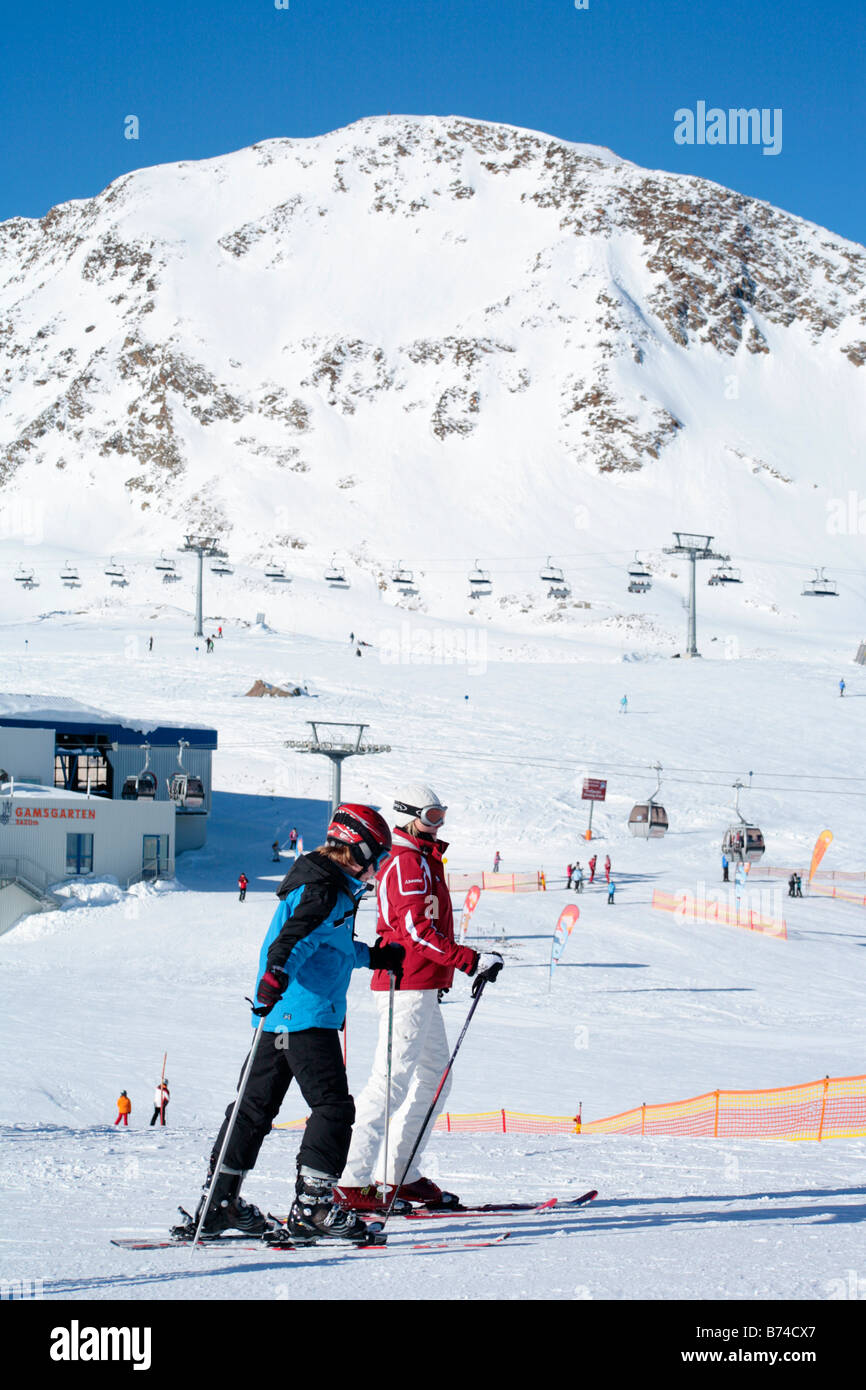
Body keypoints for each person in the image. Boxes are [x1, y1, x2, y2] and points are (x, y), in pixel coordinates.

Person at [186, 804, 403, 1242]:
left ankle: (219, 1203)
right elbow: (294, 941)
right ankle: (314, 1208)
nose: (379, 869)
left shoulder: (324, 886)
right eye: (378, 858)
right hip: (305, 1016)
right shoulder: (325, 891)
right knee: (333, 1108)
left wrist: (373, 957)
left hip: (278, 1018)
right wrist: (275, 975)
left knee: (253, 1110)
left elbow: (329, 943)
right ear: (358, 849)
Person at [337, 784, 504, 1214]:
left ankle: (399, 1174)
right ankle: (353, 1181)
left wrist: (451, 968)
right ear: (409, 817)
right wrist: (467, 960)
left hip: (424, 985)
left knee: (435, 1078)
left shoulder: (425, 859)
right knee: (389, 1082)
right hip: (404, 985)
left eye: (442, 815)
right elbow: (414, 931)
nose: (438, 824)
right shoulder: (406, 860)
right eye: (431, 816)